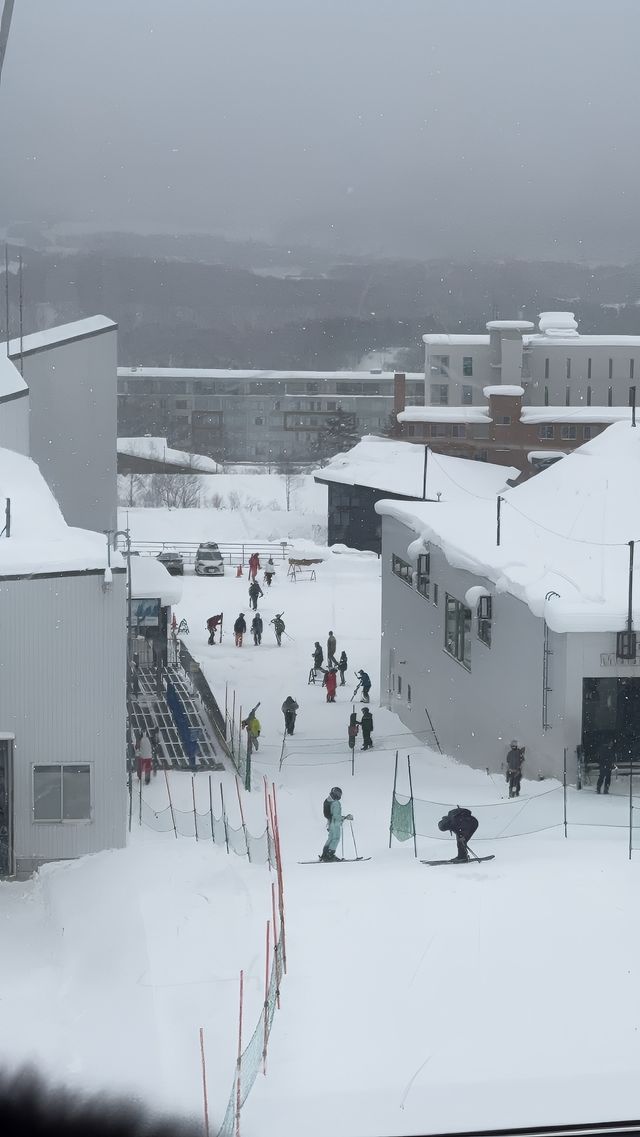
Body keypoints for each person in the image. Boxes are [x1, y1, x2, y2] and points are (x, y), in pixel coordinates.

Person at [320, 786, 353, 862]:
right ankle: (330, 855)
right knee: (336, 838)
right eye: (338, 793)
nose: (339, 795)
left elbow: (329, 814)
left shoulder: (328, 801)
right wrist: (345, 818)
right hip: (335, 823)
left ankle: (325, 854)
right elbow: (336, 815)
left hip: (330, 822)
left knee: (330, 838)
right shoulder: (336, 803)